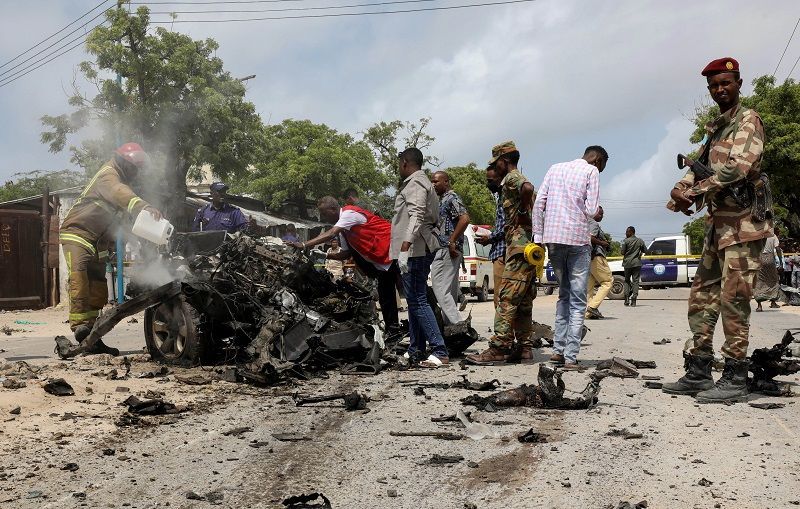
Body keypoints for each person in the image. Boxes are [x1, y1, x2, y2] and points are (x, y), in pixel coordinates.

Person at [662, 57, 771, 403]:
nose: (720, 90)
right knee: (702, 299)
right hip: (717, 227)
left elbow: (739, 167)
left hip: (743, 226)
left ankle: (735, 376)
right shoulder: (716, 128)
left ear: (738, 83)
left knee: (734, 300)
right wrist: (681, 187)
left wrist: (693, 191)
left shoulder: (747, 120)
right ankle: (698, 370)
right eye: (714, 86)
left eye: (726, 83)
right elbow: (698, 165)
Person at [59, 142, 162, 355]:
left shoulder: (120, 177)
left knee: (98, 285)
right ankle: (80, 326)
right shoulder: (108, 175)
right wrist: (144, 205)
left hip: (99, 242)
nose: (136, 172)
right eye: (134, 168)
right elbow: (119, 192)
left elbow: (124, 224)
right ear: (124, 162)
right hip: (77, 233)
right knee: (79, 276)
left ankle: (92, 336)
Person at [532, 146, 605, 369]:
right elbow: (592, 209)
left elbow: (538, 204)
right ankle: (571, 356)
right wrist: (598, 210)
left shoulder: (555, 168)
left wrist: (538, 235)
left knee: (564, 295)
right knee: (578, 299)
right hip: (577, 240)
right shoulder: (591, 172)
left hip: (553, 239)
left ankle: (557, 352)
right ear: (598, 160)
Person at [285, 196, 400, 333]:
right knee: (386, 298)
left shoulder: (348, 214)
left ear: (333, 209)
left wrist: (304, 244)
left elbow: (331, 233)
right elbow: (345, 253)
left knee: (414, 294)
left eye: (324, 213)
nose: (323, 217)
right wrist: (324, 255)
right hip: (382, 263)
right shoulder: (344, 231)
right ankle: (393, 331)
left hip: (394, 252)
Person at [467, 141, 536, 365]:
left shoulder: (512, 178)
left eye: (495, 163)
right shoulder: (511, 180)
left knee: (506, 298)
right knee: (523, 301)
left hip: (518, 247)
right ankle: (524, 348)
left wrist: (523, 212)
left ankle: (499, 347)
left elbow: (527, 188)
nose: (494, 168)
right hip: (528, 248)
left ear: (504, 161)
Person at [390, 147, 448, 367]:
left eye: (399, 164)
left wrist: (405, 246)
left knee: (418, 300)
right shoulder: (421, 182)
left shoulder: (415, 183)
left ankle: (439, 350)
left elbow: (416, 215)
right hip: (417, 248)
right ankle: (416, 347)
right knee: (414, 301)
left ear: (405, 162)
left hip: (414, 250)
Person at [430, 171, 470, 326]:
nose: (433, 185)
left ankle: (457, 324)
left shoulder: (451, 198)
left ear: (446, 182)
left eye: (436, 182)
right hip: (447, 249)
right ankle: (450, 329)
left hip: (447, 249)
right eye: (432, 182)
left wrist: (452, 241)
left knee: (439, 288)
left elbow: (464, 219)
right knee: (450, 293)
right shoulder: (443, 200)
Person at [475, 165, 506, 309]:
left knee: (500, 297)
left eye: (490, 180)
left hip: (502, 253)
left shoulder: (506, 195)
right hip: (499, 252)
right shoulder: (500, 196)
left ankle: (503, 331)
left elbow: (507, 225)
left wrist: (490, 238)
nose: (488, 184)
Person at [586, 206, 613, 319]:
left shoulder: (584, 221)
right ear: (594, 213)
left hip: (587, 257)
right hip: (596, 256)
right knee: (607, 281)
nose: (602, 216)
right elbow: (590, 238)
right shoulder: (593, 224)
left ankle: (588, 313)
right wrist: (603, 243)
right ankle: (592, 307)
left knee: (589, 287)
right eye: (600, 214)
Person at [754, 233, 782, 311]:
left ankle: (759, 306)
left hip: (759, 257)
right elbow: (778, 248)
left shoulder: (757, 234)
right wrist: (781, 261)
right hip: (770, 258)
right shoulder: (773, 235)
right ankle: (773, 302)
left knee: (759, 280)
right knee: (773, 279)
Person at [620, 226, 646, 306]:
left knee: (627, 281)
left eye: (627, 232)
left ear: (631, 232)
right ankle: (634, 298)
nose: (626, 233)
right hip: (637, 263)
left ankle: (626, 298)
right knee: (636, 281)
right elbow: (645, 250)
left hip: (627, 264)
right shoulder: (640, 240)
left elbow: (622, 252)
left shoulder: (625, 241)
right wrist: (640, 252)